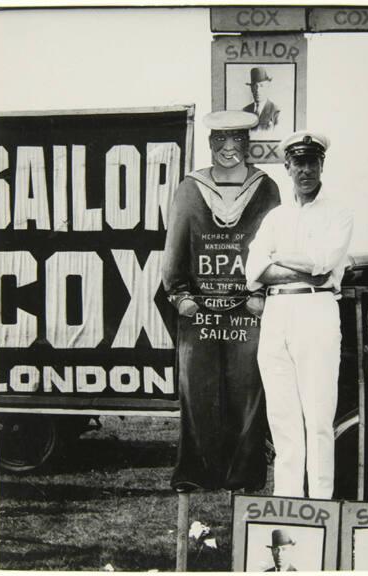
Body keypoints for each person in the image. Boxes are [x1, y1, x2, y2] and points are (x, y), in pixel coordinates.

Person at [162, 110, 280, 492]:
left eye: (238, 140)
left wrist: (260, 292)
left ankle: (245, 474)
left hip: (247, 306)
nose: (230, 148)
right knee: (196, 389)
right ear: (211, 143)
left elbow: (274, 247)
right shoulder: (190, 188)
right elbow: (174, 248)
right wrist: (178, 294)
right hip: (199, 309)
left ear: (248, 143)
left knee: (249, 390)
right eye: (221, 140)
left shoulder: (265, 188)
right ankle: (195, 472)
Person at [246, 130, 353, 499]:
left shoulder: (338, 212)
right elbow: (252, 271)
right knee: (283, 420)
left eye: (312, 162)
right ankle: (288, 504)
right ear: (287, 167)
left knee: (319, 418)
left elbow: (323, 265)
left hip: (317, 308)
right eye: (298, 163)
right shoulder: (276, 217)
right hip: (277, 311)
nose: (305, 170)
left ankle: (320, 502)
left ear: (321, 165)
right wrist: (287, 265)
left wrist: (276, 260)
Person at [243, 67, 280, 137]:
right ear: (251, 89)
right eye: (255, 86)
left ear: (267, 87)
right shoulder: (245, 111)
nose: (258, 90)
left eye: (261, 86)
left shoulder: (276, 111)